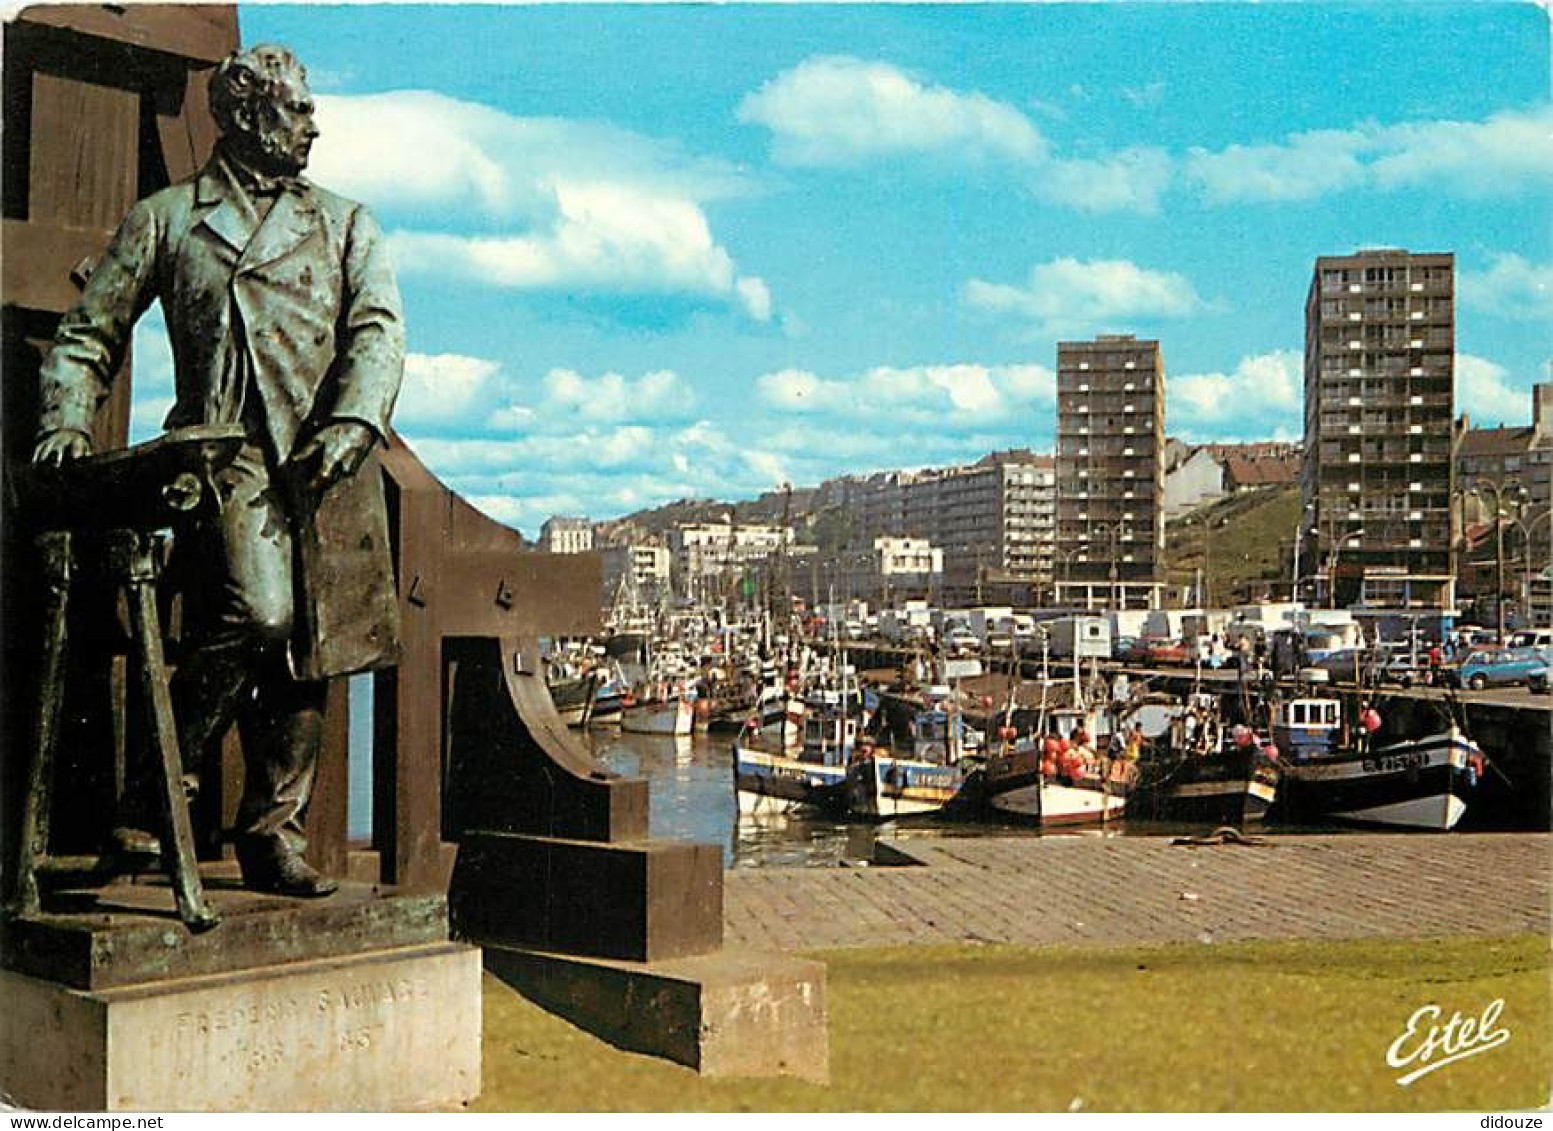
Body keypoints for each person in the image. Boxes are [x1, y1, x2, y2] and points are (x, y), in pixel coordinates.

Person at [32, 45, 404, 897]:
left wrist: (353, 417)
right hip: (223, 458)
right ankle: (154, 791)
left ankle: (273, 832)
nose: (313, 123)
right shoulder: (166, 218)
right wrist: (65, 423)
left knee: (312, 651)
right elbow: (89, 335)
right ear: (240, 115)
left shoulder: (348, 223)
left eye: (311, 108)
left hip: (323, 464)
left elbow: (378, 331)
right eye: (293, 108)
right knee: (265, 614)